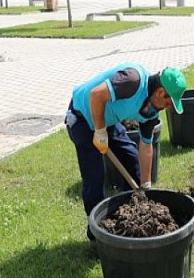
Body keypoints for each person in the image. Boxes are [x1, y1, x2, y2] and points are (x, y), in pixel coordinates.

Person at [65, 63, 187, 245]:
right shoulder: (133, 80)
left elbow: (146, 146)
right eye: (169, 102)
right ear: (161, 92)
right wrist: (99, 132)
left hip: (107, 119)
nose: (168, 107)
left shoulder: (151, 112)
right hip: (82, 115)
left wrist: (145, 186)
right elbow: (96, 95)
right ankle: (97, 238)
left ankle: (132, 218)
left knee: (131, 158)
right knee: (95, 177)